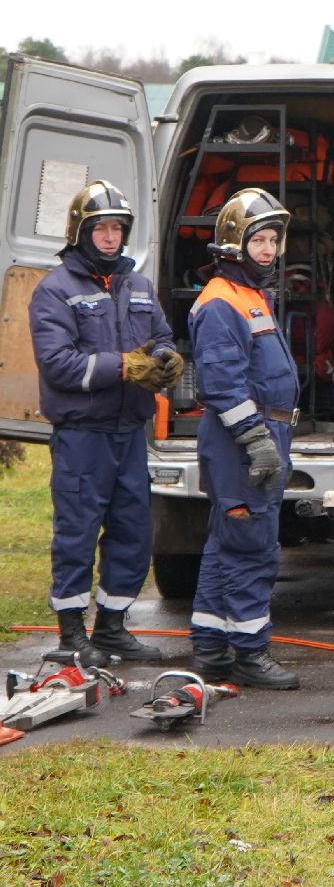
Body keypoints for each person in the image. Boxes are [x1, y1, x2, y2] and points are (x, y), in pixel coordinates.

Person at [28, 181, 181, 666]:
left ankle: (112, 627)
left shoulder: (137, 285)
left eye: (118, 228)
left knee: (134, 531)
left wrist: (166, 359)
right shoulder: (55, 290)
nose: (111, 237)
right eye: (102, 229)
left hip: (129, 434)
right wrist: (124, 367)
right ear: (80, 232)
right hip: (82, 436)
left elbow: (161, 336)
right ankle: (71, 634)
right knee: (77, 532)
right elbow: (59, 364)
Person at [188, 188, 302, 688]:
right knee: (251, 544)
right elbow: (221, 383)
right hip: (243, 438)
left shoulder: (250, 294)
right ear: (235, 242)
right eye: (259, 239)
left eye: (273, 240)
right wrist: (257, 439)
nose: (268, 249)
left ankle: (212, 646)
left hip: (257, 431)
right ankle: (251, 653)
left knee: (225, 542)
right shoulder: (221, 302)